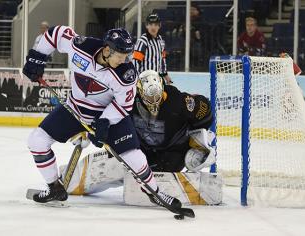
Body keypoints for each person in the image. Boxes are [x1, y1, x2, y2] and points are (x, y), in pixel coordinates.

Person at [22, 25, 182, 209]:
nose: (125, 60)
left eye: (127, 56)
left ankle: (154, 192)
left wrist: (105, 121)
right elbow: (55, 33)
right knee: (37, 141)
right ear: (107, 50)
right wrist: (38, 57)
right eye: (120, 56)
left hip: (108, 115)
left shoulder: (126, 75)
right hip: (75, 109)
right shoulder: (81, 47)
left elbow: (125, 104)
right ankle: (54, 188)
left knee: (133, 155)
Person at [59, 70, 220, 202]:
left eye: (156, 97)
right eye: (149, 97)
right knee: (114, 164)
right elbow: (104, 116)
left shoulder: (181, 102)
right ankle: (69, 178)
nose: (153, 102)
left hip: (173, 153)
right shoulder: (128, 100)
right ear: (140, 91)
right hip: (143, 149)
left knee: (149, 182)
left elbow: (206, 116)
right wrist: (87, 130)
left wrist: (204, 143)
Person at [132, 13, 171, 84]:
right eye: (150, 24)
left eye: (156, 25)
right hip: (145, 80)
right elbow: (136, 61)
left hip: (158, 79)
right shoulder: (143, 41)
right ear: (147, 26)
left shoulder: (161, 40)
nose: (153, 27)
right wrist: (136, 80)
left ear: (159, 26)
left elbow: (163, 59)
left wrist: (165, 75)